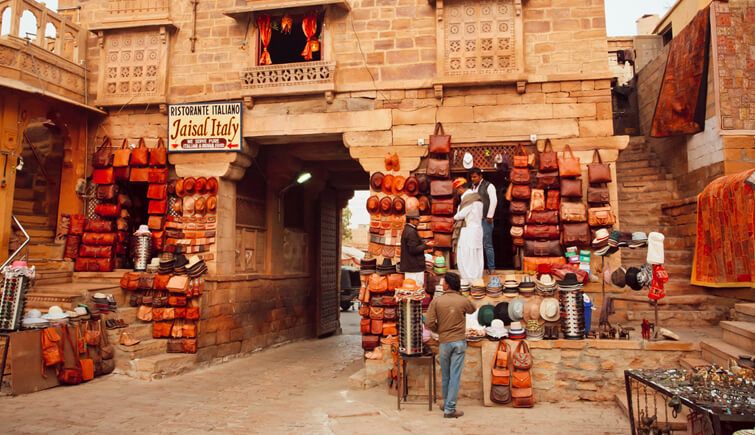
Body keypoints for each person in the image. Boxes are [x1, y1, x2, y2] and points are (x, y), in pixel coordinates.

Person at [425, 272, 476, 418]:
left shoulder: (437, 301)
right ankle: (449, 408)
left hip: (444, 342)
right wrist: (461, 295)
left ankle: (448, 404)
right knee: (455, 376)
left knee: (446, 375)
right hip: (459, 342)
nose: (442, 284)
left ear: (447, 285)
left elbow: (428, 322)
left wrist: (439, 330)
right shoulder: (462, 300)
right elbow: (473, 309)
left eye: (444, 282)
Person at [451, 177, 484, 281]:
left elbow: (461, 214)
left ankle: (470, 280)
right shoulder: (477, 198)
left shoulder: (468, 199)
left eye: (457, 190)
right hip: (477, 230)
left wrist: (454, 217)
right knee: (476, 256)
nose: (457, 192)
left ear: (460, 188)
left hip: (468, 231)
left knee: (466, 256)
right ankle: (476, 280)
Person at [469, 167, 497, 275]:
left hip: (485, 220)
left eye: (475, 177)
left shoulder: (489, 186)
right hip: (475, 221)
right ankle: (478, 269)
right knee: (476, 244)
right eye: (471, 177)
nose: (473, 179)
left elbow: (494, 200)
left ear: (480, 176)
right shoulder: (472, 188)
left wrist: (490, 216)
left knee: (487, 244)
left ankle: (491, 268)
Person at [400, 209, 431, 288]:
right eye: (417, 220)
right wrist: (426, 246)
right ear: (411, 220)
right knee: (415, 290)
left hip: (411, 267)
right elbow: (413, 250)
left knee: (411, 290)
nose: (418, 221)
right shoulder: (411, 232)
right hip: (414, 268)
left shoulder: (407, 230)